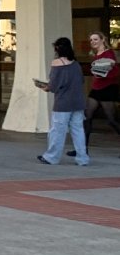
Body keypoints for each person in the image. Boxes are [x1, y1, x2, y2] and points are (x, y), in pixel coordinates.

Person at [34, 37, 90, 165]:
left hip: (63, 102)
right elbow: (81, 81)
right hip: (78, 101)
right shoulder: (76, 63)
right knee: (78, 130)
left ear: (57, 48)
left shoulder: (56, 63)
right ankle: (83, 159)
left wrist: (44, 87)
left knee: (57, 130)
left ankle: (51, 157)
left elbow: (53, 86)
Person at [69, 30, 120, 155]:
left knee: (111, 120)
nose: (93, 42)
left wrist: (102, 71)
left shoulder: (109, 54)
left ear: (103, 39)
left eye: (96, 39)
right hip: (96, 89)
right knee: (86, 118)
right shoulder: (97, 54)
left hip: (107, 89)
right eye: (91, 40)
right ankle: (82, 150)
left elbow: (114, 71)